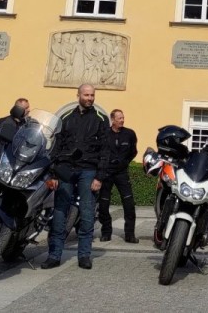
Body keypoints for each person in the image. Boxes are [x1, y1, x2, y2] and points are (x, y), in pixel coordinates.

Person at [43, 83, 108, 270]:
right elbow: (56, 145)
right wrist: (53, 172)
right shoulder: (65, 117)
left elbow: (105, 150)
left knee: (87, 214)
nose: (89, 98)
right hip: (65, 169)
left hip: (88, 171)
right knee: (59, 213)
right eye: (86, 95)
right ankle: (54, 255)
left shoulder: (100, 118)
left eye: (92, 95)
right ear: (78, 95)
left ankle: (84, 255)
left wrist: (99, 177)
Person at [97, 109, 138, 244]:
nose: (122, 120)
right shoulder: (104, 134)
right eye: (119, 118)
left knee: (129, 203)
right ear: (113, 120)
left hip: (121, 173)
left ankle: (130, 234)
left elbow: (133, 151)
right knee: (103, 204)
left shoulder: (129, 134)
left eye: (123, 117)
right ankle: (106, 231)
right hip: (106, 173)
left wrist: (124, 162)